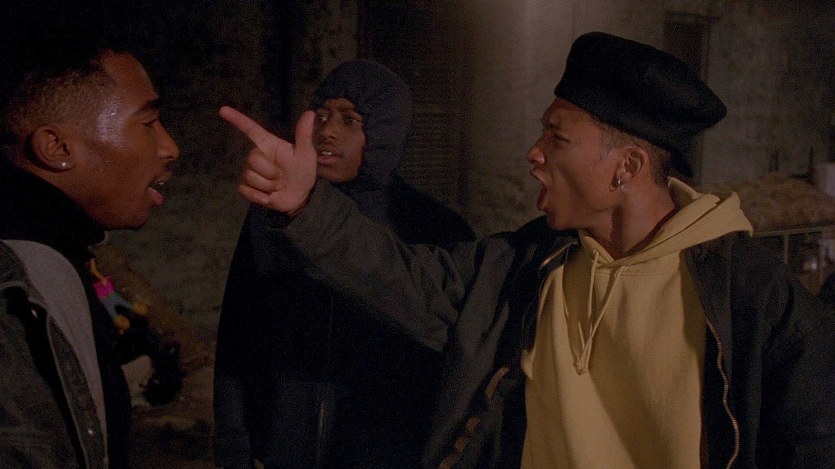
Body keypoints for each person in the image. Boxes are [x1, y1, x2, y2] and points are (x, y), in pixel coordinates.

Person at [220, 32, 835, 468]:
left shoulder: (752, 297)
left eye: (556, 137)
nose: (533, 153)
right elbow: (403, 277)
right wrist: (305, 204)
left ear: (626, 167)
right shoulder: (528, 267)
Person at [213, 59, 474, 468]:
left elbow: (455, 366)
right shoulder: (274, 216)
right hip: (284, 449)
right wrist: (234, 444)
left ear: (385, 133)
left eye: (350, 120)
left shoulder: (433, 228)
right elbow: (239, 329)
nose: (327, 131)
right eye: (321, 115)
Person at [0, 15, 180, 468]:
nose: (169, 148)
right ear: (58, 149)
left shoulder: (59, 256)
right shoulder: (17, 281)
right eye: (148, 122)